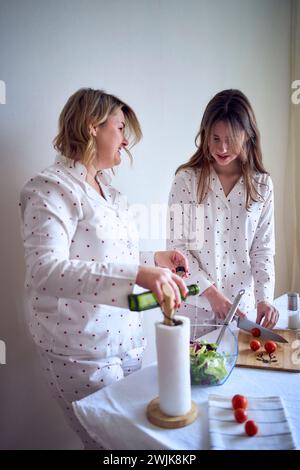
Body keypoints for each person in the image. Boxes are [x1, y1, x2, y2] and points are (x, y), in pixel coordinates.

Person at [19, 88, 189, 449]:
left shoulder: (110, 193)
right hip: (80, 353)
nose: (126, 141)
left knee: (133, 445)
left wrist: (154, 259)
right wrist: (140, 274)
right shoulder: (49, 188)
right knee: (111, 448)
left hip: (126, 345)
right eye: (120, 127)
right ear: (92, 126)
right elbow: (45, 270)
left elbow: (106, 254)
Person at [167, 89, 279, 331]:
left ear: (247, 135)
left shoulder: (262, 185)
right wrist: (212, 293)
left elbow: (262, 249)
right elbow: (178, 247)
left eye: (230, 138)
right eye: (215, 138)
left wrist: (264, 299)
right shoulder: (187, 180)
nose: (222, 148)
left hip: (242, 310)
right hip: (195, 308)